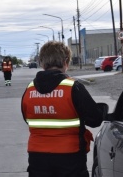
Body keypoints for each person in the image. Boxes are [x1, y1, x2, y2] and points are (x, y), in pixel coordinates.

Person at [21, 41, 107, 177]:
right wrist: (102, 110)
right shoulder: (73, 87)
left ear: (42, 62)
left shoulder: (29, 89)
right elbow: (95, 119)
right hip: (70, 157)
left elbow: (27, 118)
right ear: (66, 61)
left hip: (37, 157)